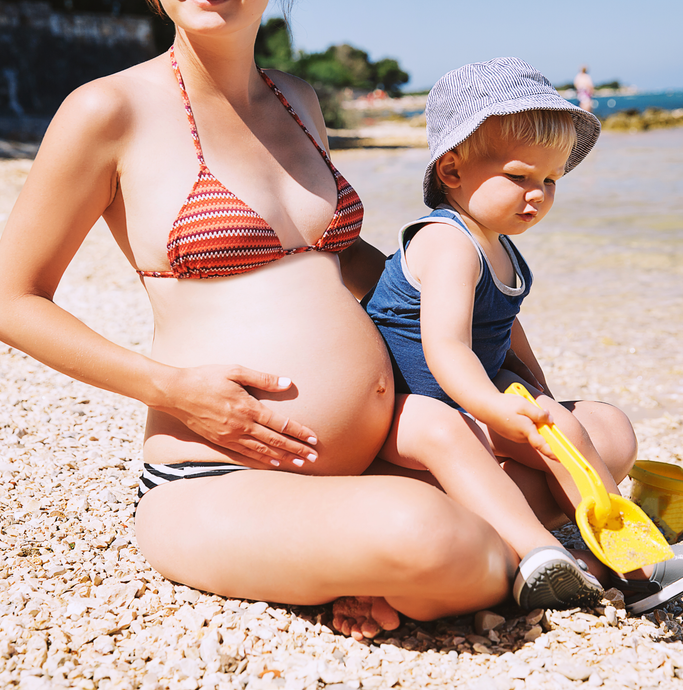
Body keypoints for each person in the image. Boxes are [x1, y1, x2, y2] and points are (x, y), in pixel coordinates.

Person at [0, 0, 526, 642]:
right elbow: (12, 299)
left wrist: (477, 327)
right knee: (432, 535)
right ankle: (442, 560)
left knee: (605, 435)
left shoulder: (298, 100)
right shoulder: (107, 110)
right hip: (219, 476)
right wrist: (173, 391)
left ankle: (382, 564)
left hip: (376, 447)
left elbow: (341, 257)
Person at [363, 57, 683, 615]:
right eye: (519, 176)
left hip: (469, 394)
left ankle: (615, 554)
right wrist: (495, 405)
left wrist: (534, 385)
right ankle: (577, 558)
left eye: (549, 180)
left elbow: (503, 322)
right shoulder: (448, 243)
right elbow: (446, 347)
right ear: (452, 171)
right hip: (410, 408)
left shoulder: (495, 242)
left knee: (573, 425)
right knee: (516, 431)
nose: (536, 194)